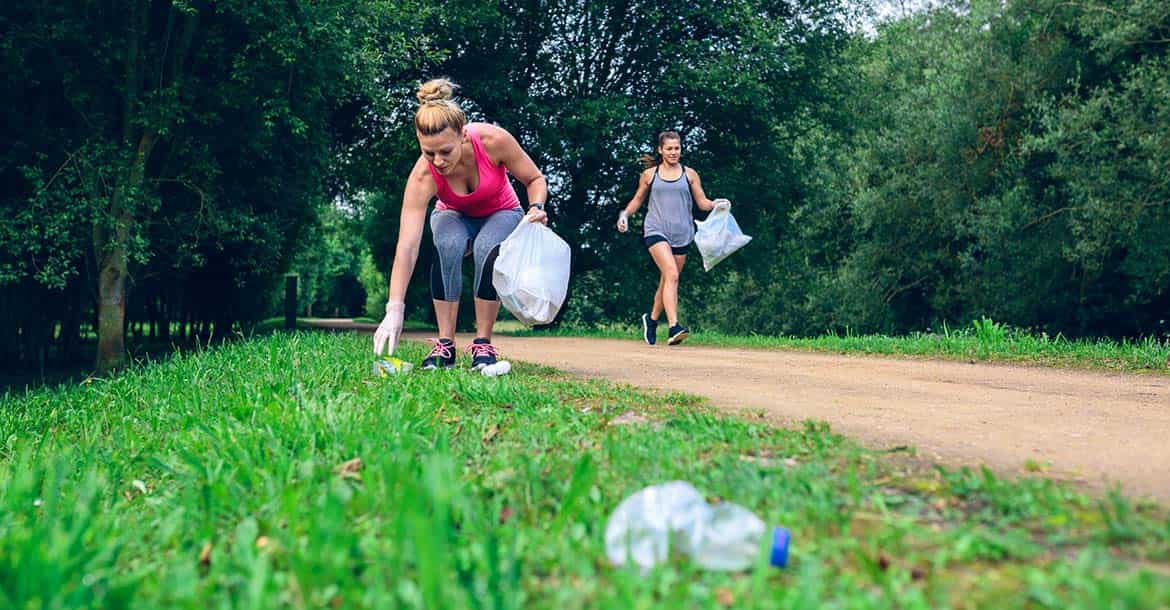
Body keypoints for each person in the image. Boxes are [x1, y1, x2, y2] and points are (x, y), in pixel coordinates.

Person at [373, 78, 548, 370]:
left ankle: (483, 343)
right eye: (429, 153)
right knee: (448, 244)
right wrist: (394, 308)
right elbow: (407, 246)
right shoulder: (422, 176)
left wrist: (537, 207)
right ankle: (445, 346)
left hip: (502, 211)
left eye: (445, 151)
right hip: (453, 214)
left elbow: (535, 179)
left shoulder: (493, 141)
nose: (438, 161)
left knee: (486, 248)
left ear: (462, 135)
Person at [616, 130, 729, 346]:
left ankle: (651, 320)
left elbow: (702, 202)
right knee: (672, 274)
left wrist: (717, 204)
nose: (674, 152)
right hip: (656, 230)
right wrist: (625, 215)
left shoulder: (690, 174)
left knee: (668, 279)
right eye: (669, 148)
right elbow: (638, 199)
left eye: (677, 148)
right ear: (660, 150)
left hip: (683, 233)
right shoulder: (650, 175)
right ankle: (674, 327)